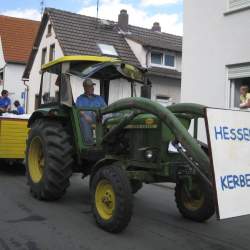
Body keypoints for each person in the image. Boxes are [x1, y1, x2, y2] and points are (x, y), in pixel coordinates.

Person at [76, 79, 106, 144]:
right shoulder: (80, 99)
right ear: (85, 88)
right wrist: (85, 116)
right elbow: (78, 110)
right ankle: (89, 144)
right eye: (90, 87)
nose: (92, 88)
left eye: (92, 86)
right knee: (83, 120)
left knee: (111, 115)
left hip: (99, 116)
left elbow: (105, 108)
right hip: (87, 118)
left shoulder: (99, 98)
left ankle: (107, 141)